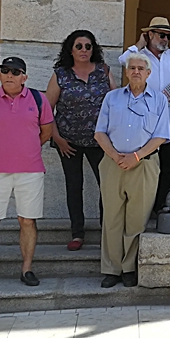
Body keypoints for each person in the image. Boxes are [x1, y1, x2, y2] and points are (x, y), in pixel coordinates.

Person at [0, 57, 55, 289]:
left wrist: (28, 149)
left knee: (27, 221)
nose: (9, 75)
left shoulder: (38, 99)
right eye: (4, 70)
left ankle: (27, 269)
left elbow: (46, 130)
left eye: (15, 72)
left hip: (30, 170)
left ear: (24, 77)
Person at [93, 53, 170, 288]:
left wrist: (136, 156)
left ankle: (130, 268)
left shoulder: (159, 100)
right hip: (113, 162)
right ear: (126, 72)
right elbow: (100, 133)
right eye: (132, 68)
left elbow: (161, 136)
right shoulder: (112, 98)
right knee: (112, 217)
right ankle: (112, 269)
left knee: (136, 220)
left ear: (149, 73)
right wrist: (116, 156)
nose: (136, 71)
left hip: (144, 164)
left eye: (140, 68)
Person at [46, 30, 118, 251]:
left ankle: (108, 231)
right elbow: (46, 111)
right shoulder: (61, 75)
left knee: (106, 187)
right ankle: (77, 233)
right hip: (68, 142)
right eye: (79, 46)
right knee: (74, 186)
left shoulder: (104, 72)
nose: (84, 50)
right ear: (71, 49)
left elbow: (116, 103)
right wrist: (57, 139)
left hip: (100, 142)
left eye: (88, 46)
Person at [118, 17, 170, 216]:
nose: (165, 39)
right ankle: (141, 207)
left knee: (166, 166)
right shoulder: (139, 56)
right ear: (150, 35)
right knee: (142, 163)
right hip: (144, 117)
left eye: (168, 36)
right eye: (161, 35)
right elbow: (123, 61)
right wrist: (139, 45)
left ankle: (160, 206)